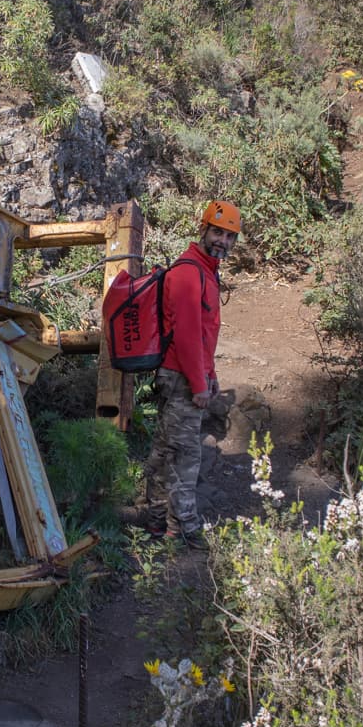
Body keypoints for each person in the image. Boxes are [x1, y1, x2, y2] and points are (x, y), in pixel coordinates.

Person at [143, 199, 240, 548]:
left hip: (188, 373)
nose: (223, 242)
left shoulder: (206, 269)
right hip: (180, 375)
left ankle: (155, 521)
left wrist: (210, 374)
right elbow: (185, 336)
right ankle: (184, 529)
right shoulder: (188, 272)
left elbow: (204, 333)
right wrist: (199, 384)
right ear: (203, 229)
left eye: (230, 237)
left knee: (165, 451)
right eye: (218, 232)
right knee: (186, 457)